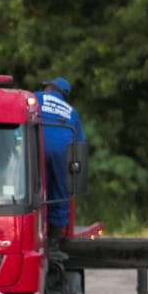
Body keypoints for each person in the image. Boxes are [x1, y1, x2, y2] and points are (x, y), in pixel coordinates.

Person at [37, 76, 85, 241]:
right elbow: (79, 146)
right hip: (63, 150)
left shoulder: (35, 97)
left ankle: (32, 231)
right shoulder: (71, 111)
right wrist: (74, 180)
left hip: (37, 144)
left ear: (48, 88)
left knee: (32, 188)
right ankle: (54, 242)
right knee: (59, 191)